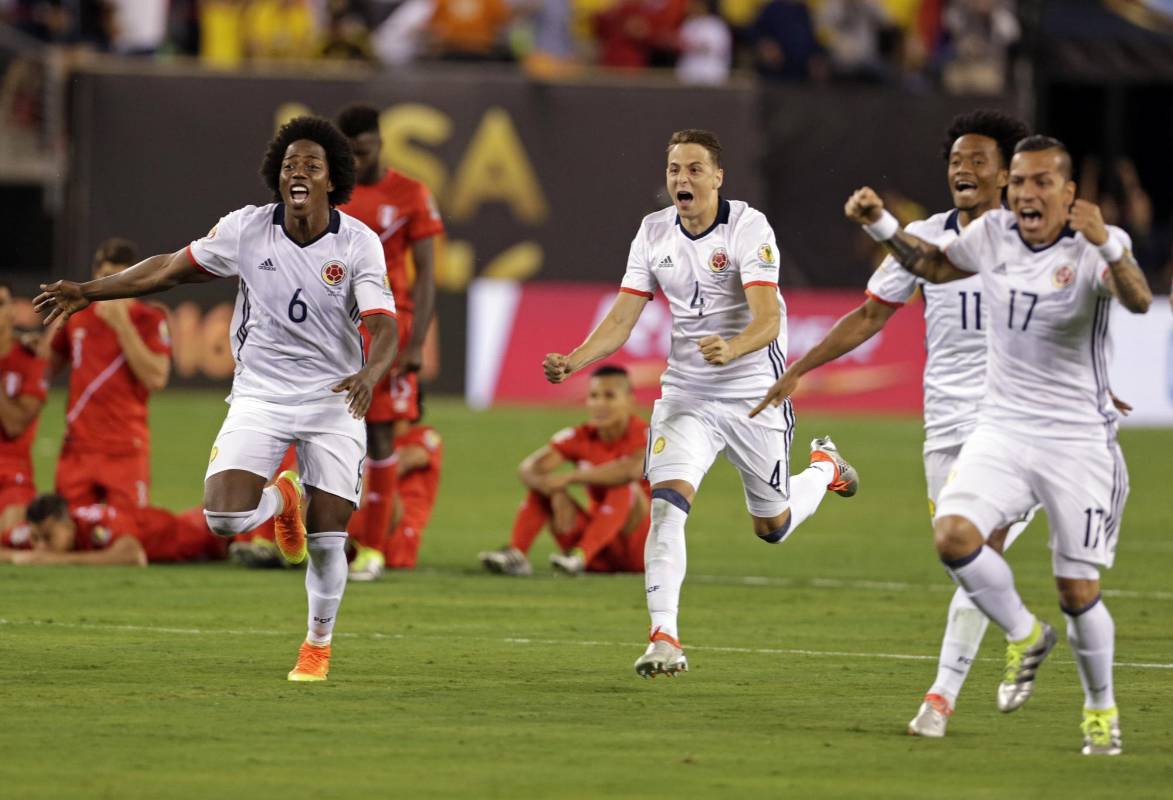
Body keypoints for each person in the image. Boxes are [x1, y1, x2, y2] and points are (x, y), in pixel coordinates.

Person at [34, 115, 399, 683]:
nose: (297, 172)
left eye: (311, 165)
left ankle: (316, 646)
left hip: (334, 398)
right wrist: (90, 290)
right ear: (277, 178)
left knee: (329, 538)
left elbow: (385, 326)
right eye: (288, 165)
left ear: (333, 180)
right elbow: (167, 270)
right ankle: (282, 501)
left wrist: (372, 374)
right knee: (223, 519)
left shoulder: (358, 243)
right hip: (260, 394)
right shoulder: (247, 230)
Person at [844, 134, 1152, 755]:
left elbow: (1139, 300)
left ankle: (1100, 708)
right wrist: (882, 223)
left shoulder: (1090, 248)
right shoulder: (994, 236)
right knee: (954, 536)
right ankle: (1025, 633)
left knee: (1077, 591)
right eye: (1020, 183)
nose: (1028, 193)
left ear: (1068, 194)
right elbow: (931, 265)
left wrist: (1111, 243)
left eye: (1043, 182)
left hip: (1077, 442)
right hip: (1003, 431)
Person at [752, 109, 1031, 737]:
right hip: (947, 425)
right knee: (961, 556)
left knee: (981, 547)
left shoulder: (1032, 237)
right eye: (956, 159)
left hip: (1017, 421)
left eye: (978, 159)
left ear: (1008, 172)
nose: (964, 168)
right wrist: (801, 367)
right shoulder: (924, 238)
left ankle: (940, 698)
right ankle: (1019, 632)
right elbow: (872, 315)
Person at [543, 129, 858, 678]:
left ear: (717, 177)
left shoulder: (748, 227)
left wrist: (732, 347)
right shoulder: (652, 231)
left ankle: (824, 466)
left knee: (773, 527)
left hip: (752, 395)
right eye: (673, 170)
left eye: (693, 169)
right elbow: (623, 317)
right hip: (685, 394)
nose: (681, 180)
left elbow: (769, 318)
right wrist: (576, 359)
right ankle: (664, 637)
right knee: (666, 505)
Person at [336, 103, 443, 570]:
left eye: (363, 151)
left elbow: (426, 275)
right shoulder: (332, 193)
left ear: (380, 142)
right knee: (326, 437)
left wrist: (416, 341)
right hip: (337, 331)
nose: (357, 162)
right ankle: (327, 541)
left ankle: (374, 549)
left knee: (381, 438)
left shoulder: (411, 193)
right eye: (349, 154)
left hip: (388, 329)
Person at [478, 364, 651, 577]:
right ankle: (517, 553)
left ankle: (579, 554)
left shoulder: (646, 435)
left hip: (641, 550)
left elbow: (631, 471)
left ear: (630, 401)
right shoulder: (581, 436)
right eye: (594, 396)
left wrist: (570, 477)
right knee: (542, 486)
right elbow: (528, 469)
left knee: (625, 487)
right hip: (598, 548)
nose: (599, 404)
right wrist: (554, 491)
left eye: (609, 396)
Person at [50, 238, 172, 510]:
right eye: (105, 277)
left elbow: (156, 379)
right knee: (68, 534)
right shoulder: (77, 317)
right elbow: (45, 364)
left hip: (125, 447)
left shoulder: (150, 319)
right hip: (78, 447)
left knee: (127, 532)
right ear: (94, 277)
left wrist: (123, 326)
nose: (112, 288)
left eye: (120, 279)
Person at [0, 494, 228, 565]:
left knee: (242, 520)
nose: (40, 546)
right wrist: (19, 555)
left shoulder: (98, 521)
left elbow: (133, 556)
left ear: (68, 525)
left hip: (201, 533)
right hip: (183, 522)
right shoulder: (35, 532)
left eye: (48, 538)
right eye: (36, 538)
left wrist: (56, 560)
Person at [351, 421, 445, 576]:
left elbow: (396, 467)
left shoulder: (424, 436)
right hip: (362, 526)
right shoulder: (364, 439)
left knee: (381, 484)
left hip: (400, 536)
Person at [0, 281, 48, 531]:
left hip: (11, 476)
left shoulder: (30, 361)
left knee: (12, 531)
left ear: (11, 312)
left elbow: (15, 424)